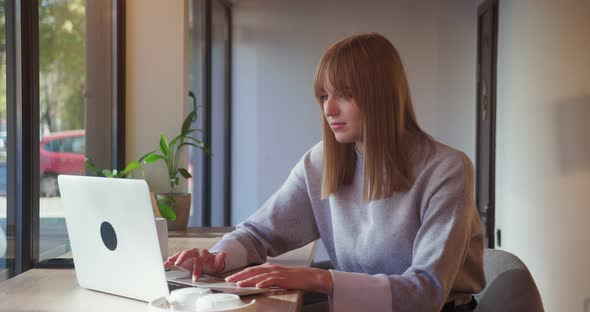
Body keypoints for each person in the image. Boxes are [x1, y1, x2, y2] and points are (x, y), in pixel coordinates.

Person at [164, 33, 486, 312]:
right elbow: (258, 232)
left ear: (381, 96)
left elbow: (425, 293)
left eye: (344, 95)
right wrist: (216, 258)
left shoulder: (447, 169)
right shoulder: (321, 162)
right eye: (323, 96)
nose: (328, 109)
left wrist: (318, 278)